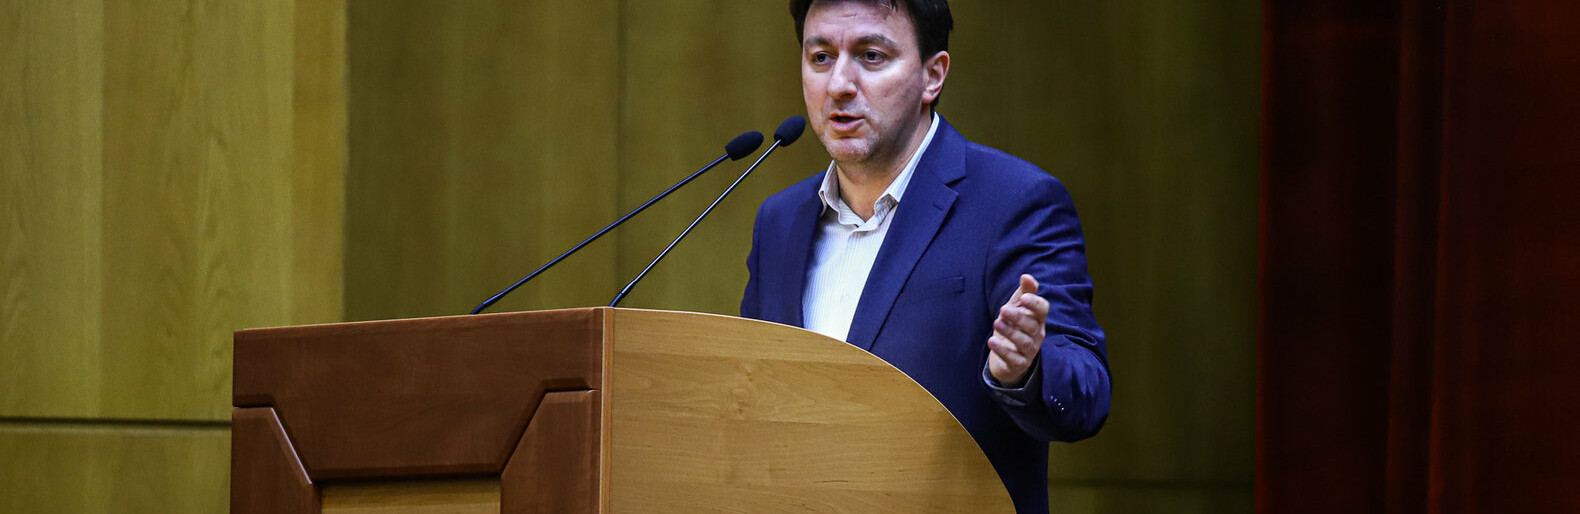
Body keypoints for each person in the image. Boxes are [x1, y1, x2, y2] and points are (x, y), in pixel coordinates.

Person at [739, 1, 1112, 512]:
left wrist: (1026, 370)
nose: (839, 84)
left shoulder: (1014, 201)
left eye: (871, 56)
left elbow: (1087, 395)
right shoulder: (779, 222)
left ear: (932, 76)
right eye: (820, 57)